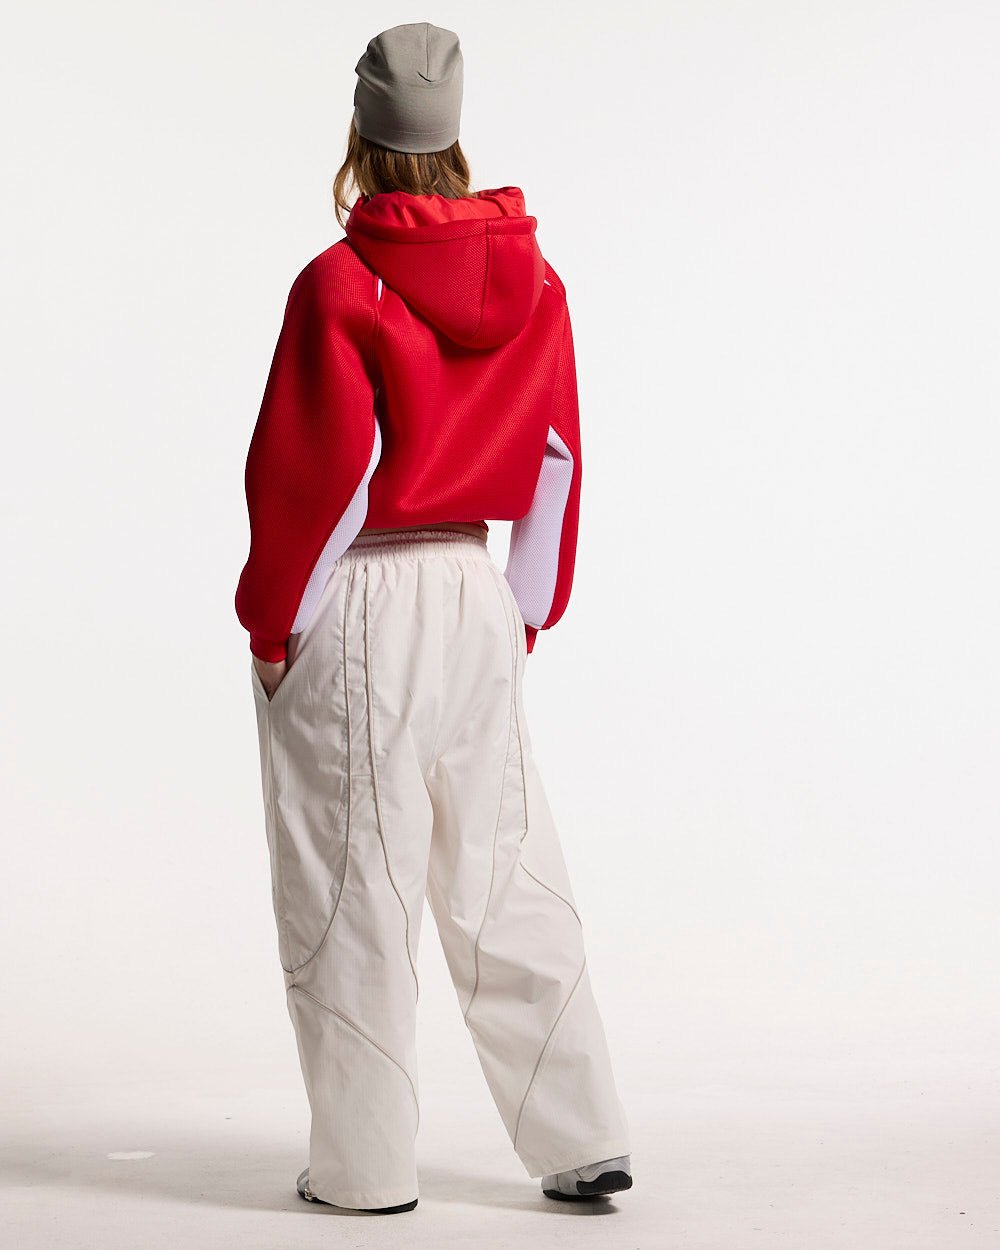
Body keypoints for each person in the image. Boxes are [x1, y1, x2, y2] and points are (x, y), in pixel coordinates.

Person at [234, 21, 633, 1214]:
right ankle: (581, 1133)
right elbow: (556, 456)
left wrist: (273, 627)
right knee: (503, 865)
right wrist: (524, 612)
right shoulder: (538, 282)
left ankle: (363, 1169)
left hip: (361, 589)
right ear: (455, 137)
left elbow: (322, 475)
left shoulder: (340, 283)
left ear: (360, 134)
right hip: (473, 588)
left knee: (354, 880)